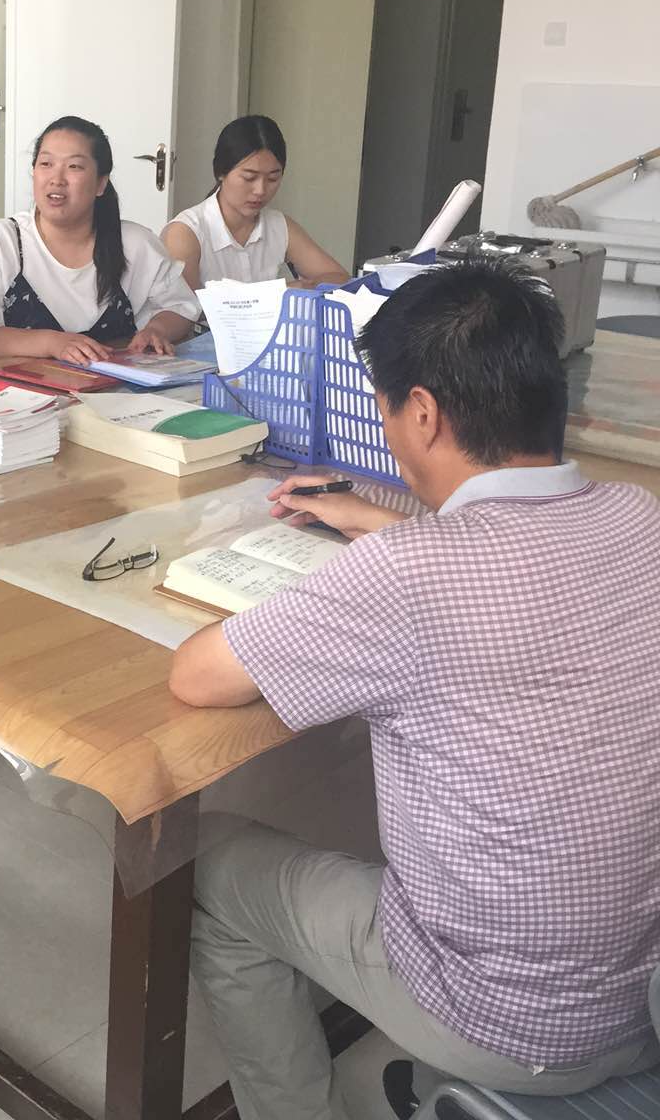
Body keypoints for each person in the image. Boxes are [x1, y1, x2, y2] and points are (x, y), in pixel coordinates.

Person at [169, 262, 660, 1120]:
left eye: (387, 409)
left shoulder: (408, 576)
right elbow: (511, 574)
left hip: (514, 1024)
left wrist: (382, 558)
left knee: (206, 867)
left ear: (423, 413)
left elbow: (199, 676)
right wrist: (377, 523)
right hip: (643, 997)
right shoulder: (640, 515)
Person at [0, 115, 200, 365]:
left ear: (101, 184)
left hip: (118, 387)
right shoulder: (2, 241)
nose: (57, 179)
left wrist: (157, 330)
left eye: (74, 167)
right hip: (20, 388)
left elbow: (181, 307)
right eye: (46, 163)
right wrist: (53, 343)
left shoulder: (134, 243)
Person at [162, 115, 349, 291]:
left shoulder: (278, 225)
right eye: (249, 178)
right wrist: (274, 293)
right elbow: (184, 308)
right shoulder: (186, 233)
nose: (260, 190)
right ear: (220, 172)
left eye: (273, 178)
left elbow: (340, 278)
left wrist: (303, 287)